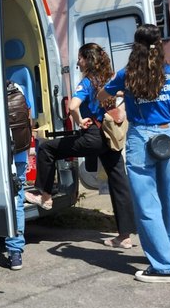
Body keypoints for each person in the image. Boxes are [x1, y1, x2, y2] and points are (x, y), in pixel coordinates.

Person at [25, 43, 136, 247]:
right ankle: (125, 237)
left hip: (93, 137)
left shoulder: (86, 83)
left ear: (87, 59)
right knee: (119, 182)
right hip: (110, 137)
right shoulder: (108, 79)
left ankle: (45, 195)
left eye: (80, 58)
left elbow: (72, 105)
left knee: (48, 148)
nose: (77, 61)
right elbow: (123, 93)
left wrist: (78, 119)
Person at [99, 24, 170, 283]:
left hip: (140, 137)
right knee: (166, 198)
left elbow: (103, 95)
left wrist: (122, 94)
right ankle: (168, 253)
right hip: (166, 135)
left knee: (147, 203)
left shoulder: (126, 75)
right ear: (160, 45)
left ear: (135, 46)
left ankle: (163, 267)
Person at [6, 80, 31, 270]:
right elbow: (27, 118)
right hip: (20, 152)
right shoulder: (18, 86)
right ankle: (15, 252)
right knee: (17, 199)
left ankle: (13, 248)